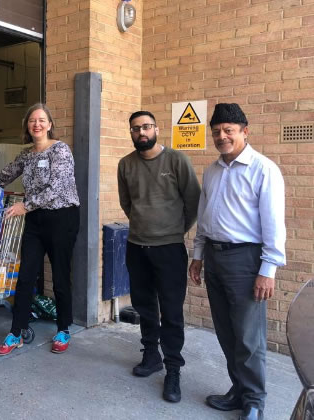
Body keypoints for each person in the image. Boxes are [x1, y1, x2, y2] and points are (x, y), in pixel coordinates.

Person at [189, 103, 286, 420]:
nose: (221, 136)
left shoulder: (263, 169)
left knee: (248, 336)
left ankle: (255, 401)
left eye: (228, 130)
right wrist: (198, 256)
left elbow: (273, 224)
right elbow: (205, 217)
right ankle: (239, 390)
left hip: (246, 261)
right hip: (214, 259)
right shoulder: (212, 169)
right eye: (216, 131)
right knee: (226, 332)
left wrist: (267, 271)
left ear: (245, 131)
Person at [117, 111, 201, 403]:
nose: (142, 132)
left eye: (147, 127)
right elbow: (127, 203)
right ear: (131, 132)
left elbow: (193, 202)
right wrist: (144, 225)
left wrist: (172, 230)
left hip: (169, 248)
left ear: (156, 129)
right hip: (137, 247)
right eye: (136, 128)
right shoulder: (125, 164)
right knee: (144, 306)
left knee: (171, 311)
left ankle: (173, 369)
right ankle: (151, 355)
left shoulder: (177, 161)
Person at [0, 102, 80, 356]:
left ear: (50, 125)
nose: (37, 124)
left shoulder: (60, 150)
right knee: (26, 274)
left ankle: (63, 328)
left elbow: (57, 188)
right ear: (27, 126)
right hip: (35, 219)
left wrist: (25, 206)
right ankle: (15, 332)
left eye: (42, 120)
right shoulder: (27, 155)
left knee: (61, 276)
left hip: (62, 217)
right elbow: (3, 176)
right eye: (32, 121)